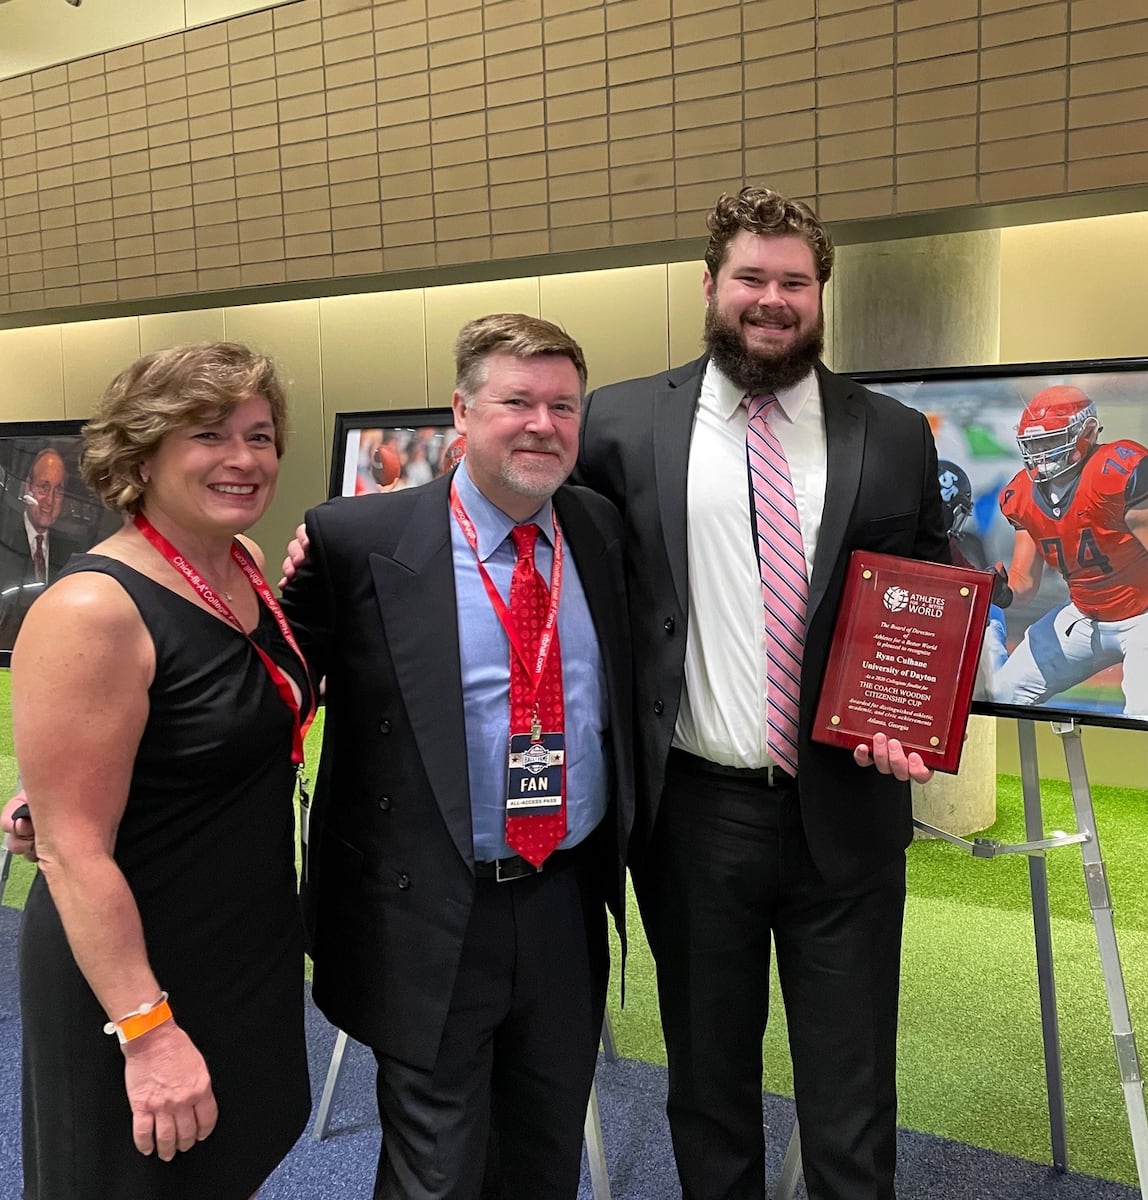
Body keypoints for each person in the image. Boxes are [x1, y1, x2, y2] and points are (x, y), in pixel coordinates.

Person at [575, 185, 947, 1200]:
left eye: (793, 281)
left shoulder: (894, 434)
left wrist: (919, 714)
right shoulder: (616, 424)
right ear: (710, 286)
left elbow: (936, 592)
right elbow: (534, 536)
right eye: (752, 278)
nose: (772, 299)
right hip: (693, 813)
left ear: (820, 294)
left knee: (852, 1089)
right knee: (707, 1082)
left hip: (848, 808)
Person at [278, 314, 633, 1200]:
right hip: (425, 909)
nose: (543, 425)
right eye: (517, 401)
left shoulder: (601, 530)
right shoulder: (355, 541)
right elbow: (265, 697)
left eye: (563, 406)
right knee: (435, 1173)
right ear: (463, 412)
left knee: (544, 1155)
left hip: (563, 899)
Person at [9, 343, 315, 1199]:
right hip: (133, 967)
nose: (244, 458)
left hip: (241, 940)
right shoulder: (91, 608)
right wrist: (146, 1032)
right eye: (208, 434)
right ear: (143, 453)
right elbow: (72, 849)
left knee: (225, 1161)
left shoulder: (244, 566)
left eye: (260, 435)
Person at [989, 384, 1148, 716]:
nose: (1040, 454)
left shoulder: (1115, 472)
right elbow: (1024, 583)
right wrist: (1004, 593)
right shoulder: (1021, 494)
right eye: (1034, 444)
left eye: (1050, 441)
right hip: (1086, 615)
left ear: (1085, 434)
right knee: (1003, 691)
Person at [0, 446, 85, 647]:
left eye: (58, 490)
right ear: (26, 487)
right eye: (43, 487)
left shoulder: (75, 552)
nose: (49, 500)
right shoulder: (4, 540)